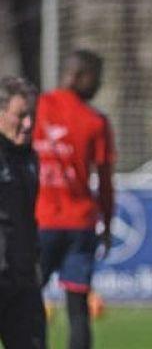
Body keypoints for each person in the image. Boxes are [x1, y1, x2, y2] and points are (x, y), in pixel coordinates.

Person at [33, 49, 115, 349]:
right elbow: (105, 181)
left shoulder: (37, 107)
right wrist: (106, 223)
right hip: (80, 225)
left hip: (40, 223)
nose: (99, 86)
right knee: (78, 309)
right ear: (80, 76)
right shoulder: (95, 121)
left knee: (26, 302)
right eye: (97, 78)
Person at [0, 76, 45, 349]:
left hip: (22, 278)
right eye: (20, 116)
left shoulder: (30, 158)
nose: (28, 124)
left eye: (32, 115)